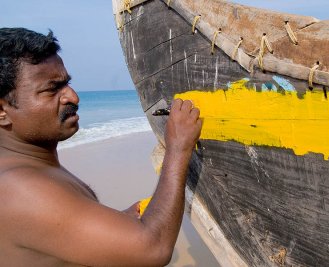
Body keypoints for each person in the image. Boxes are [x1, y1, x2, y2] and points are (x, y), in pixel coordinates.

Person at [0, 27, 202, 266]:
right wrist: (177, 148)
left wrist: (117, 222)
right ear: (2, 111)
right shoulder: (20, 189)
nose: (73, 97)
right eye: (52, 89)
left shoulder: (32, 167)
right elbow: (153, 248)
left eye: (66, 84)